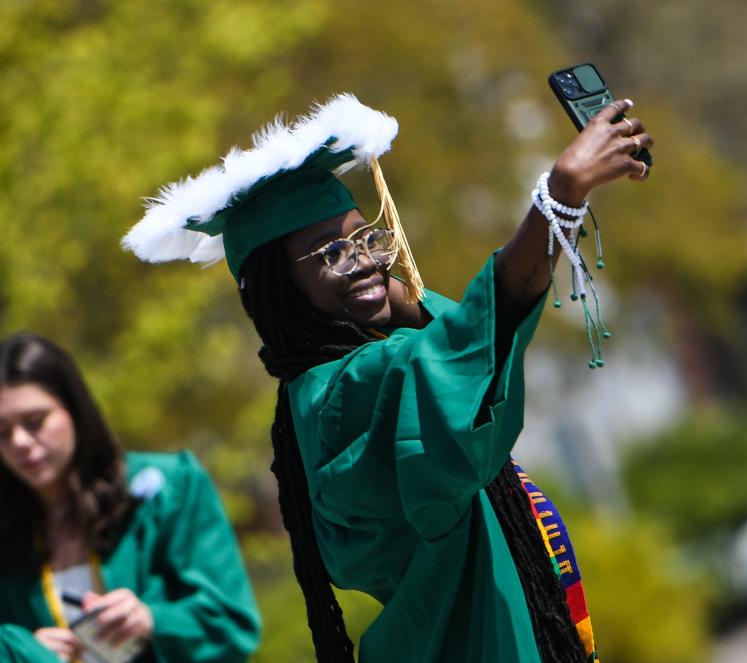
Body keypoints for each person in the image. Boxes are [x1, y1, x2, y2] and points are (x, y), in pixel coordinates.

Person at [124, 92, 653, 662]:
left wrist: (387, 296)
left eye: (366, 238)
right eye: (331, 253)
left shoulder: (334, 382)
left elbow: (459, 346)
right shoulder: (341, 397)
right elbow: (461, 355)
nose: (366, 261)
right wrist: (560, 196)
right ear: (280, 289)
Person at [0, 333, 261, 663]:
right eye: (2, 432)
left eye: (34, 421)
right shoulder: (9, 530)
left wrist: (151, 620)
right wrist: (19, 651)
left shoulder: (171, 486)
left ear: (74, 409)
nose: (20, 441)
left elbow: (232, 625)